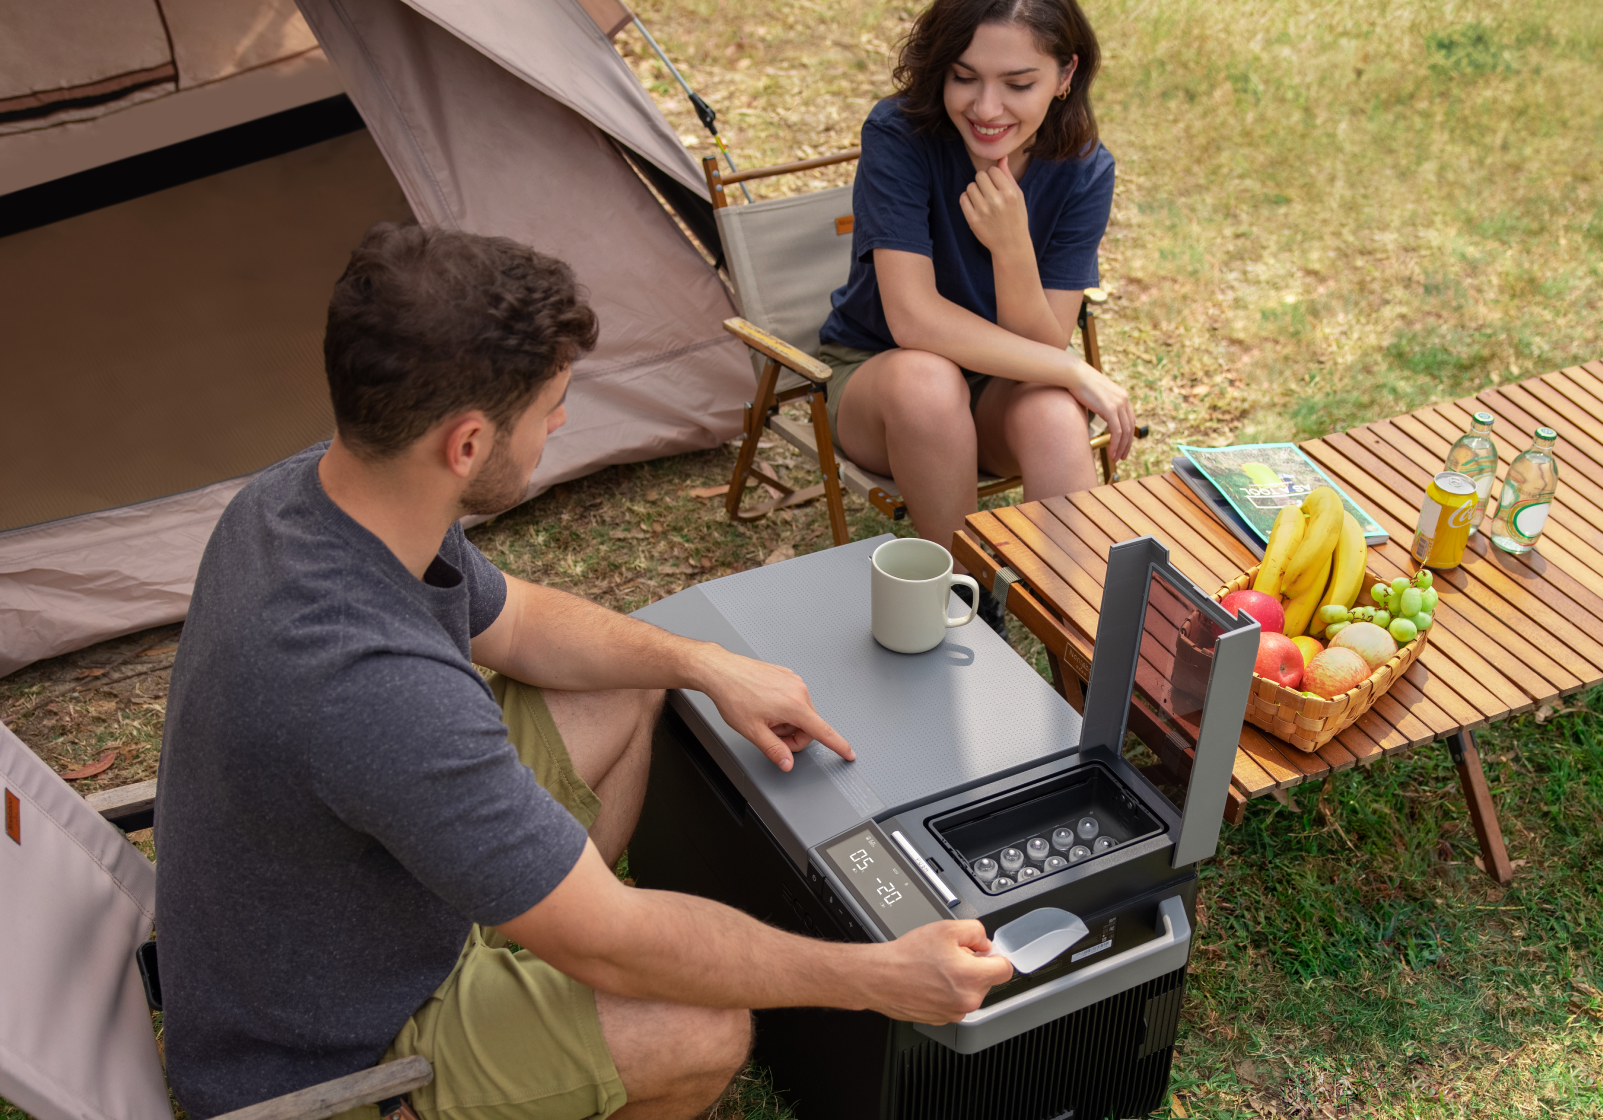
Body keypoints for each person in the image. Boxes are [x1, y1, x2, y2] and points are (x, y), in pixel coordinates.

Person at [155, 223, 1011, 1120]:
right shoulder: (374, 688)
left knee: (631, 676)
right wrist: (879, 976)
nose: (560, 421)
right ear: (468, 444)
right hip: (331, 1054)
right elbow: (617, 944)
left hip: (360, 911)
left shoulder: (308, 497)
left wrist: (702, 662)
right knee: (701, 1029)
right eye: (550, 404)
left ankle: (542, 915)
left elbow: (516, 621)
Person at [816, 0, 1135, 567]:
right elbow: (912, 319)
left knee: (1056, 414)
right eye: (964, 77)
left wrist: (1011, 247)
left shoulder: (1084, 170)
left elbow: (1041, 343)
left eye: (1017, 83)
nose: (987, 108)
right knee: (928, 380)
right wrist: (1071, 367)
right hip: (882, 381)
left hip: (997, 388)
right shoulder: (901, 136)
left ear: (1065, 76)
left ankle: (1077, 623)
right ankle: (965, 596)